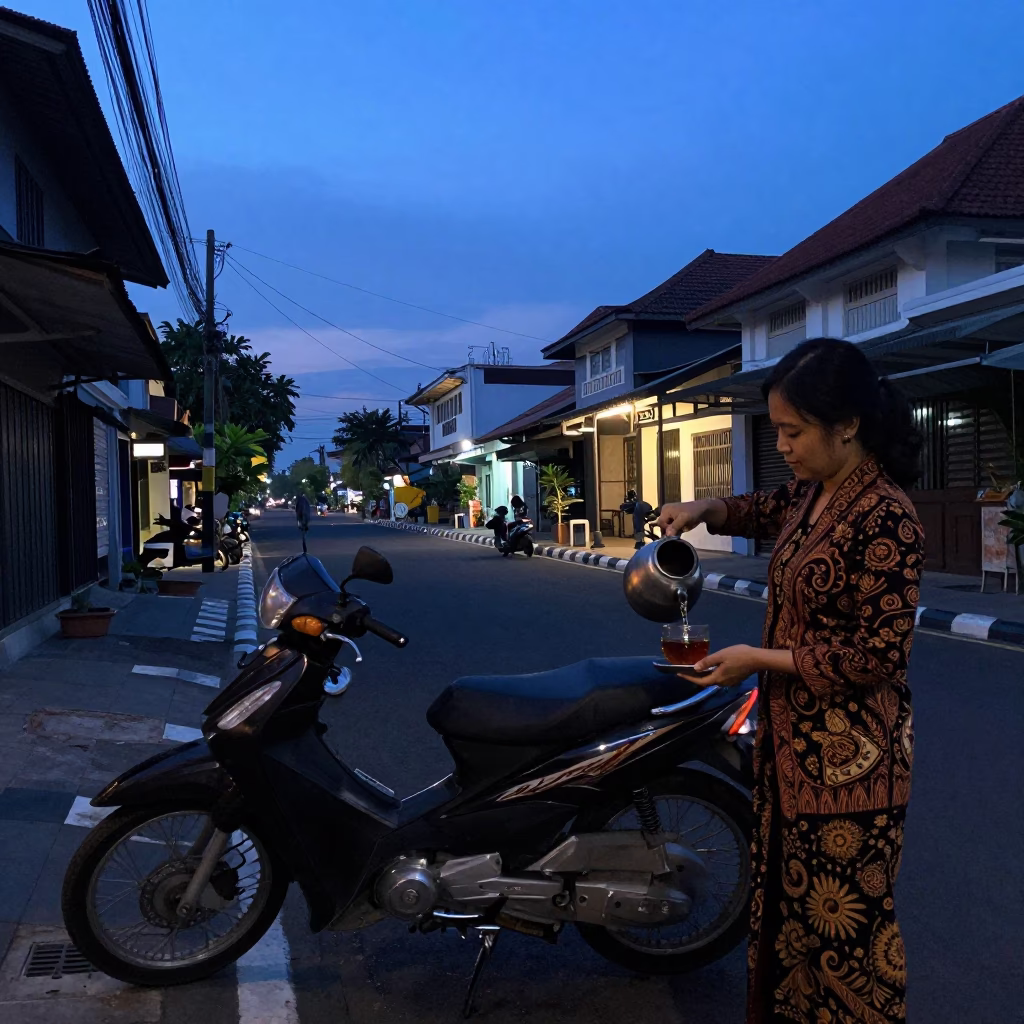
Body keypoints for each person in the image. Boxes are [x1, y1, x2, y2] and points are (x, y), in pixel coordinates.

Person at [658, 338, 923, 1024]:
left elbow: (876, 657)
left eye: (794, 431)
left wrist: (761, 659)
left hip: (852, 769)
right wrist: (705, 508)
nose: (784, 446)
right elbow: (763, 509)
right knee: (792, 922)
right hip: (790, 751)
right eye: (777, 430)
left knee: (846, 938)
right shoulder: (816, 491)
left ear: (848, 425)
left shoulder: (886, 514)